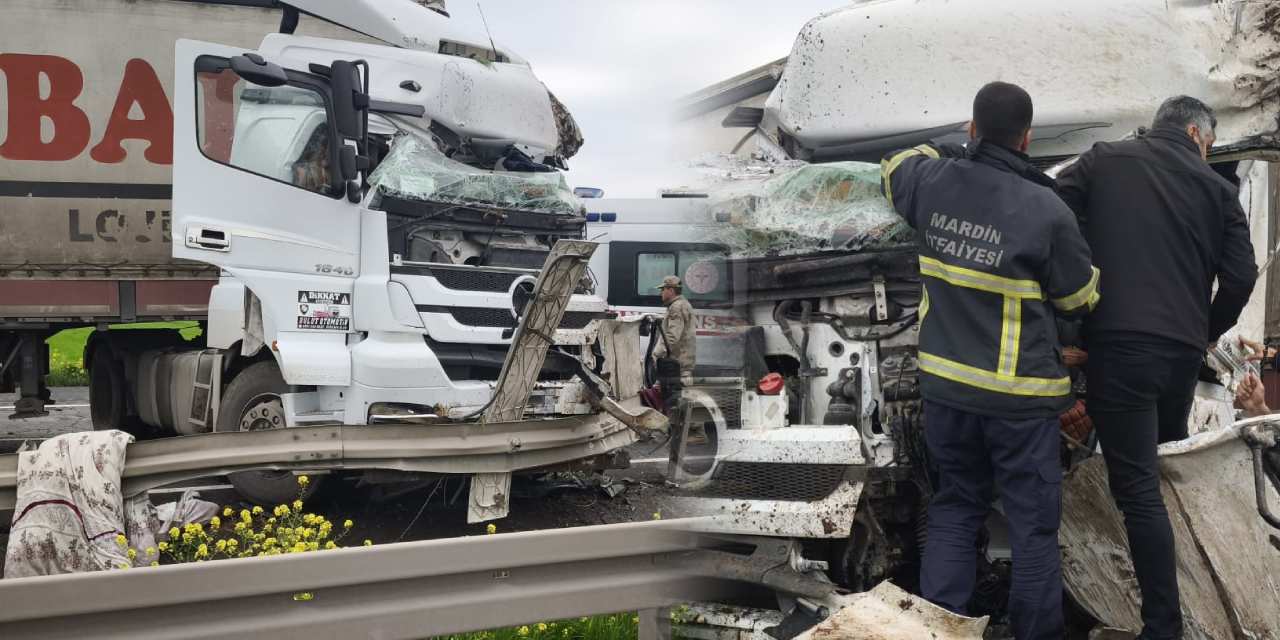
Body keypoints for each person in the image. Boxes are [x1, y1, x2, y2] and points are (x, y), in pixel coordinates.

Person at [881, 81, 1100, 640]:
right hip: (1020, 401)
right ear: (1027, 138)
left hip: (947, 391)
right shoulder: (1046, 209)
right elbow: (1079, 299)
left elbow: (896, 163)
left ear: (972, 127)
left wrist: (957, 151)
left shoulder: (931, 182)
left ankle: (940, 629)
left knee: (955, 506)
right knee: (1032, 528)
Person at [1056, 96, 1258, 640]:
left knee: (1139, 489)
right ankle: (1185, 604)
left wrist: (1077, 295)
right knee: (1162, 475)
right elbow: (1241, 276)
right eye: (1210, 144)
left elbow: (1051, 213)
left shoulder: (1103, 159)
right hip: (1179, 356)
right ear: (1196, 133)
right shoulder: (1220, 191)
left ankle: (1162, 626)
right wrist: (1204, 330)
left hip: (1119, 346)